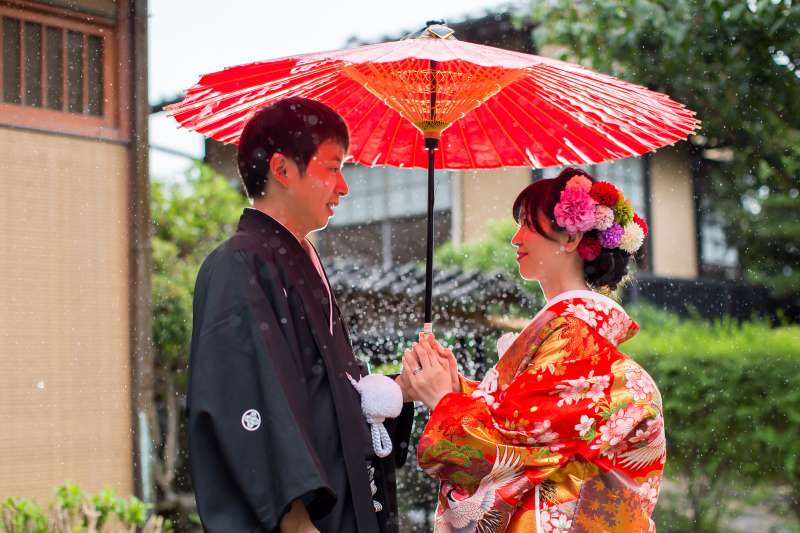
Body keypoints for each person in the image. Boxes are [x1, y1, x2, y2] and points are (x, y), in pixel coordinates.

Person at [186, 97, 415, 533]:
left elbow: (323, 390)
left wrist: (395, 390)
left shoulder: (298, 257)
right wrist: (293, 518)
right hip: (305, 521)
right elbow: (248, 396)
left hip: (340, 504)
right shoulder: (239, 262)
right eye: (332, 167)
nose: (344, 187)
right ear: (283, 169)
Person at [401, 168, 665, 533]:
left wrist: (443, 401)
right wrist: (457, 387)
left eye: (527, 224)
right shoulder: (571, 333)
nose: (516, 238)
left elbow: (514, 445)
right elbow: (524, 423)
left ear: (571, 236)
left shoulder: (575, 337)